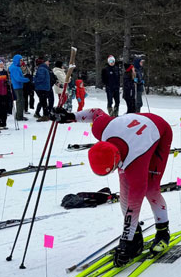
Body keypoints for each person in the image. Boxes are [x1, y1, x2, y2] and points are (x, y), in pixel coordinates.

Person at [50, 106, 173, 266]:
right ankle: (136, 236)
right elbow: (96, 112)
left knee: (150, 190)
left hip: (159, 131)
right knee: (124, 193)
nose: (117, 171)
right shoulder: (102, 129)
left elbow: (134, 206)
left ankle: (163, 233)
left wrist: (125, 241)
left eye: (115, 168)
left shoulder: (136, 164)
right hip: (130, 129)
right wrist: (70, 116)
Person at [8, 54, 30, 121]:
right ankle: (19, 116)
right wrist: (27, 79)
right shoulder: (14, 68)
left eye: (22, 60)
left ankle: (20, 115)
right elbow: (18, 78)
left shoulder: (16, 67)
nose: (21, 61)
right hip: (17, 86)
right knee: (20, 101)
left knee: (21, 100)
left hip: (19, 85)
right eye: (20, 60)